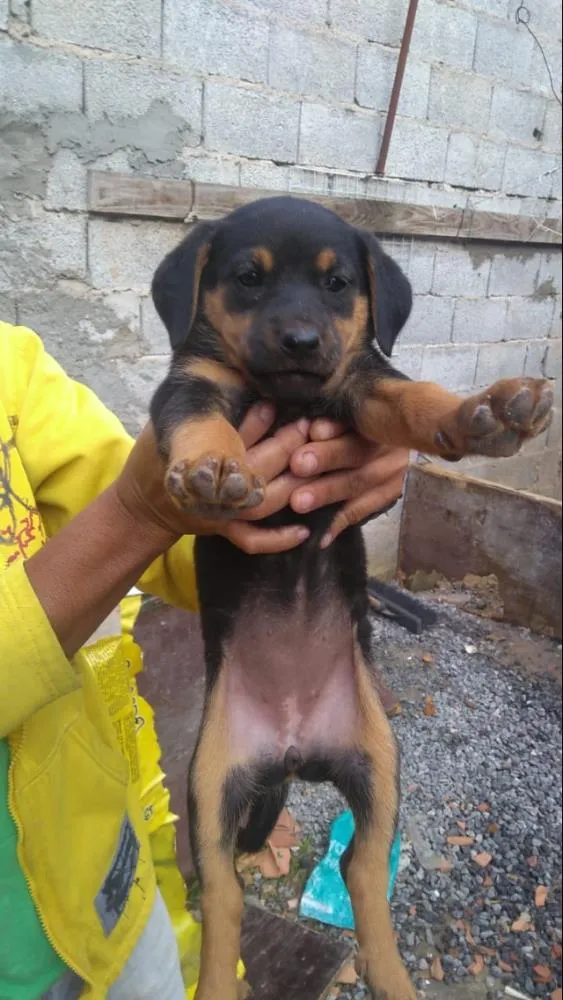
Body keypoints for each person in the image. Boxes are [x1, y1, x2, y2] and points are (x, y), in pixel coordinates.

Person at [0, 321, 408, 999]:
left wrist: (313, 489)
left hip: (98, 883)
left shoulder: (10, 365)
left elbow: (186, 535)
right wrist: (136, 514)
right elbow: (139, 510)